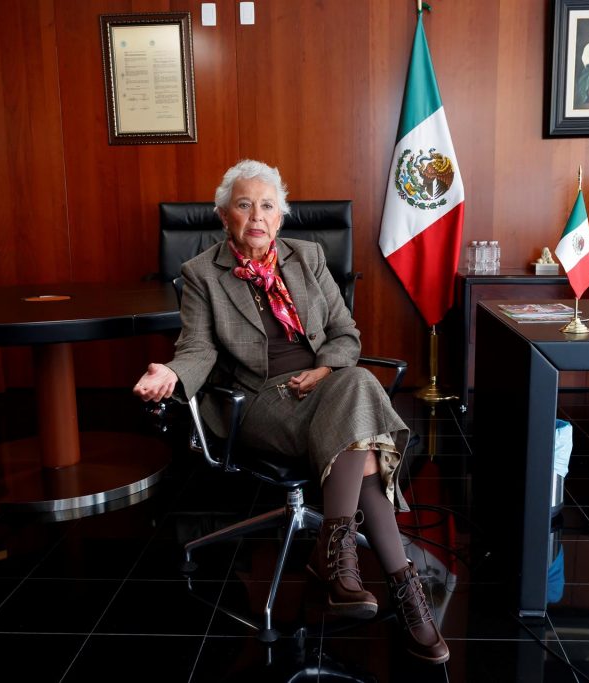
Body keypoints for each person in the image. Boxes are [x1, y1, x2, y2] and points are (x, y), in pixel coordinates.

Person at [134, 160, 449, 664]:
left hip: (326, 386)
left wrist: (324, 371)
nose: (256, 215)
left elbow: (347, 336)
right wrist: (171, 374)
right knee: (362, 399)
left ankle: (349, 565)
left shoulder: (309, 258)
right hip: (260, 402)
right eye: (243, 205)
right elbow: (197, 350)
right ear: (223, 216)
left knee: (355, 410)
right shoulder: (201, 275)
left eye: (267, 205)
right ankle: (400, 591)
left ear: (280, 217)